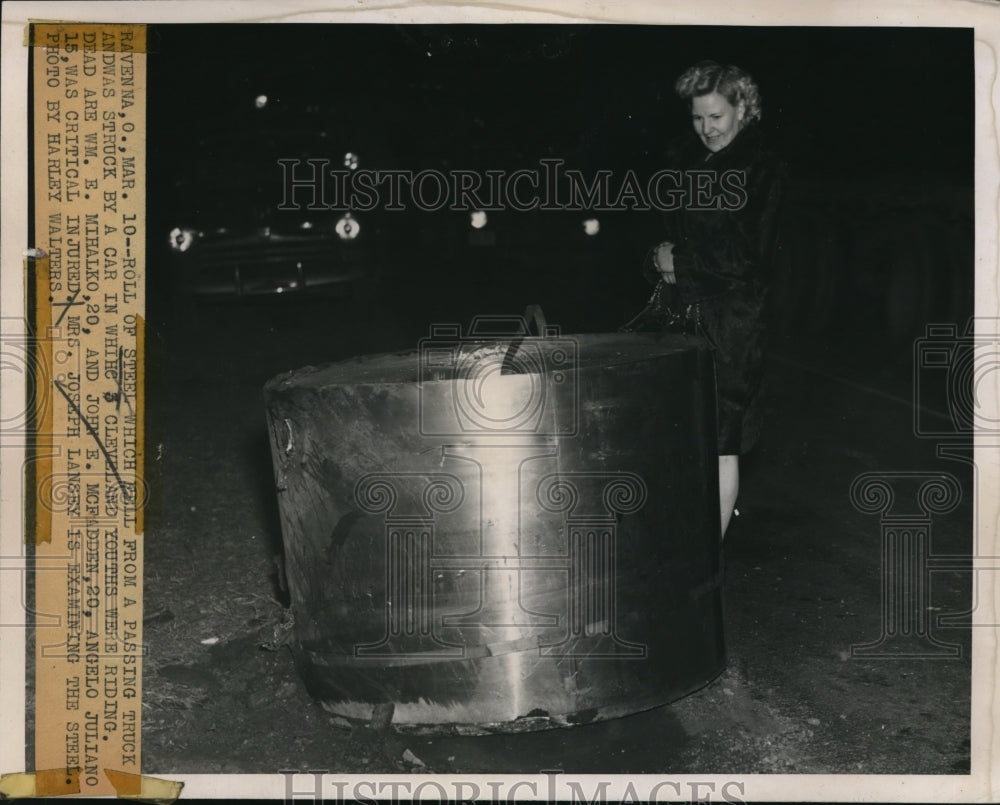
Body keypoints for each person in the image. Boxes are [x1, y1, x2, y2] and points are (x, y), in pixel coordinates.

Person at [646, 60, 785, 538]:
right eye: (697, 118)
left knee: (721, 441)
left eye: (716, 117)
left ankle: (709, 553)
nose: (706, 129)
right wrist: (659, 255)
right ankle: (685, 547)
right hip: (685, 313)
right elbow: (668, 229)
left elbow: (750, 256)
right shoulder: (689, 159)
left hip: (732, 322)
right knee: (684, 434)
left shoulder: (761, 168)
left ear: (742, 109)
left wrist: (679, 261)